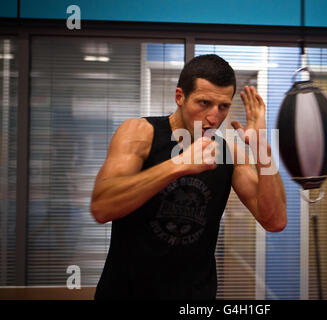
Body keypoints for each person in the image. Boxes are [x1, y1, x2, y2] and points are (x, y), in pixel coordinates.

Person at [90, 54, 287, 300]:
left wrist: (262, 151)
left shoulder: (229, 153)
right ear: (180, 97)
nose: (214, 117)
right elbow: (101, 207)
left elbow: (275, 220)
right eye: (203, 103)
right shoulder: (140, 133)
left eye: (223, 106)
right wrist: (179, 164)